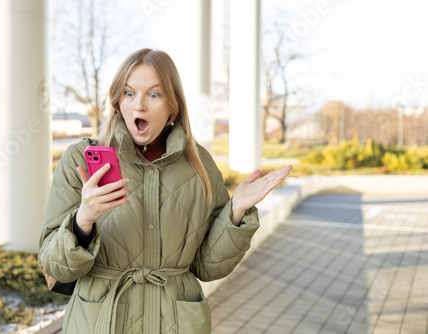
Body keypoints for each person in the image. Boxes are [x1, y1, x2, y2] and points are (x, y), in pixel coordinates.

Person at [38, 48, 292, 334]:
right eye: (129, 93)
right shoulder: (79, 159)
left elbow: (209, 267)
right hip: (100, 321)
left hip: (176, 322)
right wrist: (83, 220)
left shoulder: (200, 165)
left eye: (154, 95)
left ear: (172, 106)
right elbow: (55, 267)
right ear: (118, 101)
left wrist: (236, 211)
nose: (139, 106)